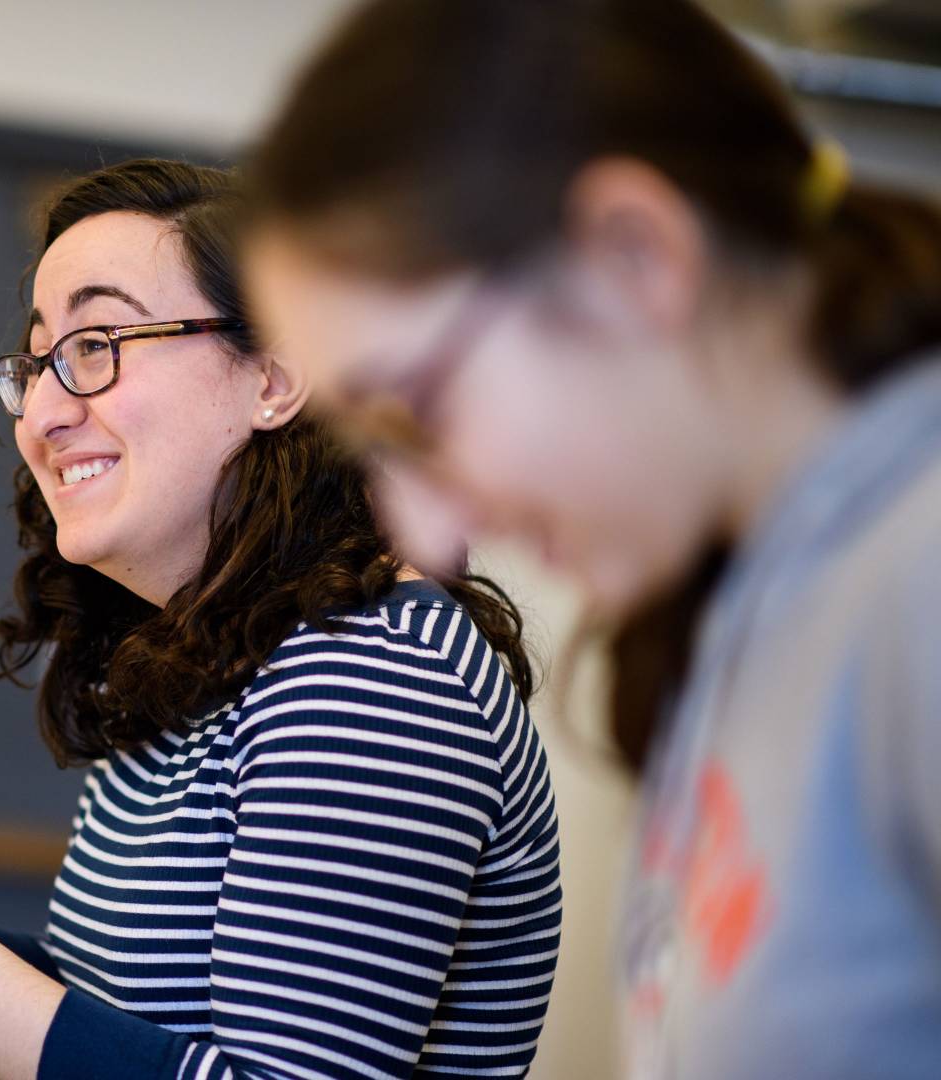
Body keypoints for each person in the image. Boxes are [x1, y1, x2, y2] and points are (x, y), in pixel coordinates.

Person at [0, 159, 562, 1079]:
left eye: (96, 344)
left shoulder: (371, 678)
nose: (40, 413)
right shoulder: (231, 660)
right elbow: (136, 1020)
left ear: (274, 380)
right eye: (37, 361)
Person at [239, 1, 941, 1077]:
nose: (423, 528)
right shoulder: (746, 595)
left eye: (417, 416)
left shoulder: (914, 569)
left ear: (632, 255)